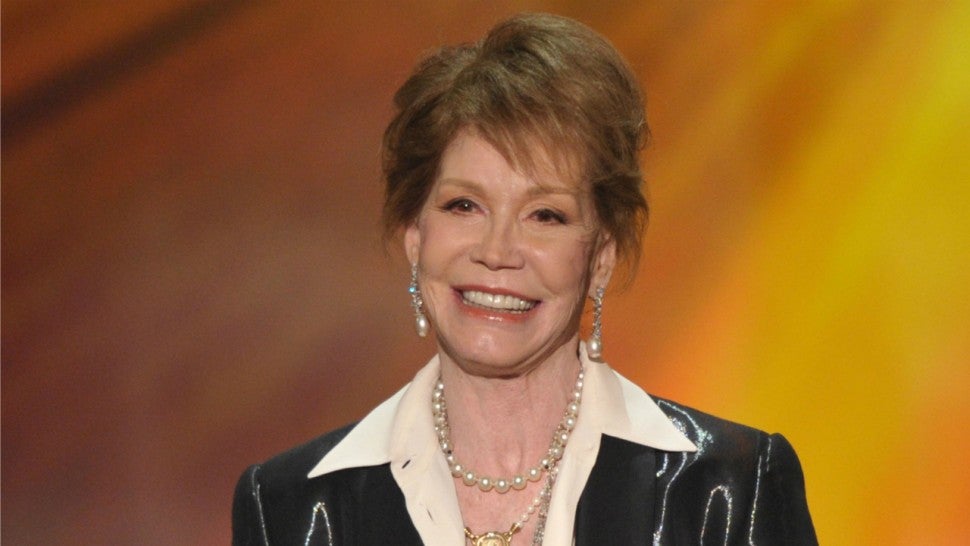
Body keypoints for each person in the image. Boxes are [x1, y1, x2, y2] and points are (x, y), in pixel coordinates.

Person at [232, 13, 817, 546]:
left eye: (545, 216)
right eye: (464, 206)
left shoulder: (729, 492)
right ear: (415, 235)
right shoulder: (290, 510)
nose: (497, 252)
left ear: (602, 256)